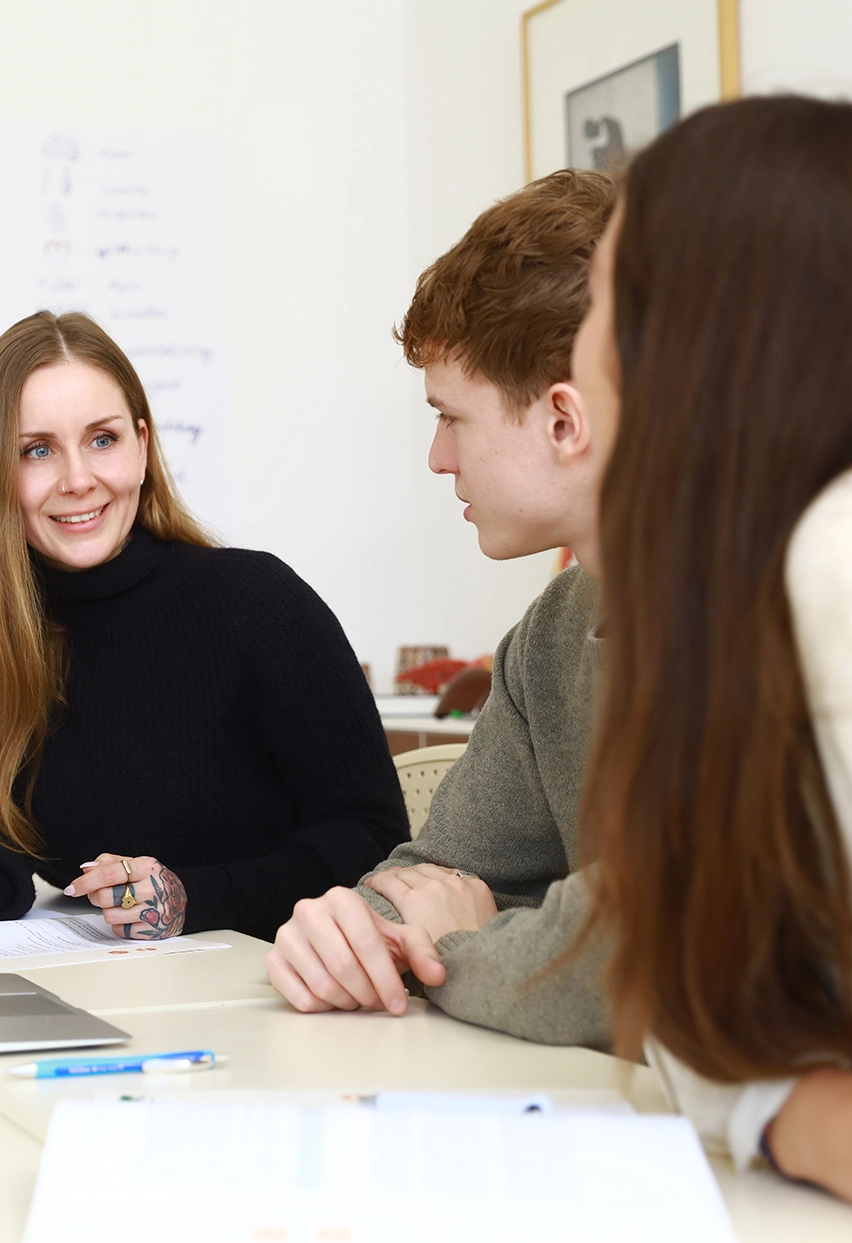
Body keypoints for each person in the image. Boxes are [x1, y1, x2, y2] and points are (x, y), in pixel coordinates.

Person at [578, 97, 852, 1243]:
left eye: (604, 299)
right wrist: (807, 1115)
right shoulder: (773, 597)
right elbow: (692, 1019)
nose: (585, 351)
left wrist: (815, 1112)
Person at [0, 311, 408, 948]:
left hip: (278, 976)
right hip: (115, 987)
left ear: (143, 446)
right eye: (37, 450)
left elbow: (371, 833)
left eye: (103, 440)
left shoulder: (255, 602)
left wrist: (190, 899)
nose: (78, 478)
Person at [265, 169, 617, 1038]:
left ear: (563, 423)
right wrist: (348, 931)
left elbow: (621, 959)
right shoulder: (551, 635)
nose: (435, 457)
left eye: (452, 417)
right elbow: (430, 873)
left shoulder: (760, 621)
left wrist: (463, 949)